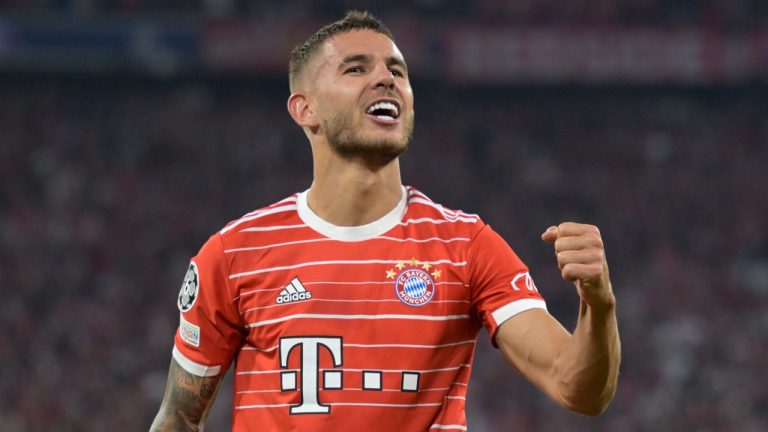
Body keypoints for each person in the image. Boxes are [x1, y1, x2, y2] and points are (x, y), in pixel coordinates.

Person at [150, 10, 620, 431]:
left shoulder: (466, 246)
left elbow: (578, 390)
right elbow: (178, 418)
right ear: (305, 108)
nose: (386, 79)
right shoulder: (235, 254)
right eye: (357, 68)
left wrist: (597, 306)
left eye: (397, 70)